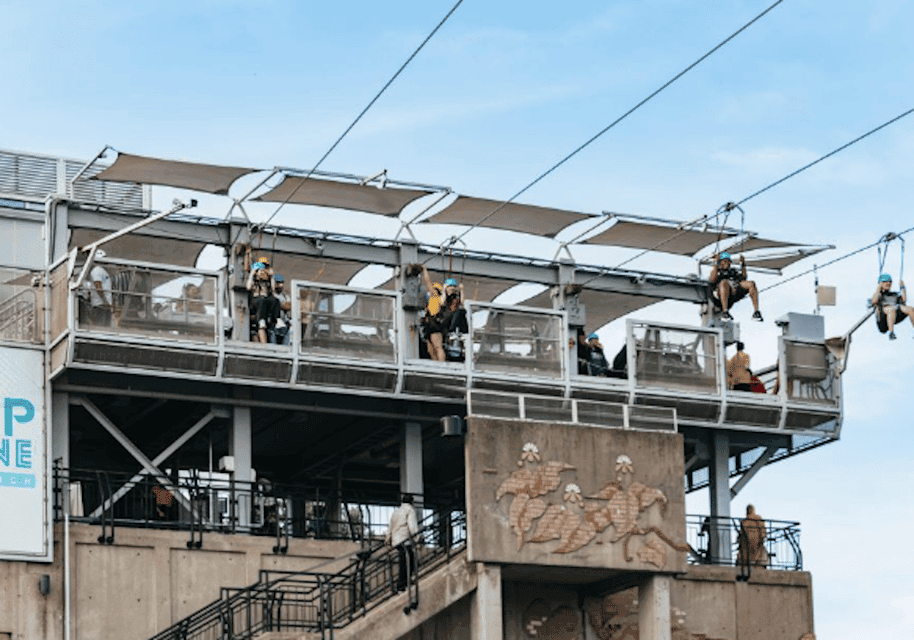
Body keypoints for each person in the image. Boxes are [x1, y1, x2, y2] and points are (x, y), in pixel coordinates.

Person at [417, 265, 465, 362]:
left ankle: (440, 364)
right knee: (430, 347)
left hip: (435, 323)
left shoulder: (437, 297)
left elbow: (428, 283)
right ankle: (436, 363)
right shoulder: (438, 299)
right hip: (432, 323)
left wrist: (424, 271)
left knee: (437, 346)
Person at [709, 252, 762, 322]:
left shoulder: (733, 271)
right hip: (721, 295)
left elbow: (743, 278)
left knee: (751, 283)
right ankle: (725, 312)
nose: (727, 263)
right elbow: (712, 279)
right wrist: (716, 263)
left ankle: (756, 311)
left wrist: (743, 265)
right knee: (724, 283)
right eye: (725, 261)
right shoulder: (717, 271)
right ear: (720, 262)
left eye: (728, 261)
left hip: (734, 292)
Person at [386, 493, 418, 592]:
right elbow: (412, 527)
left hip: (396, 540)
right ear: (412, 502)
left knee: (404, 560)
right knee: (409, 559)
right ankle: (403, 583)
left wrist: (388, 539)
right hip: (404, 539)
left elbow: (390, 526)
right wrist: (417, 538)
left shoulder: (396, 511)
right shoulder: (410, 510)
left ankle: (403, 583)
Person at [246, 253, 279, 343]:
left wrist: (272, 277)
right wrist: (253, 273)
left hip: (264, 302)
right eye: (261, 268)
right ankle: (261, 321)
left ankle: (274, 321)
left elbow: (273, 290)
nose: (263, 271)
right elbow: (248, 287)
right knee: (262, 300)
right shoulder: (254, 279)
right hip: (256, 301)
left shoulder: (267, 281)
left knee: (275, 300)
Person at [870, 273, 914, 340]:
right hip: (883, 319)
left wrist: (902, 287)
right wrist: (879, 287)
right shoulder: (879, 295)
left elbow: (904, 300)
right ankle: (891, 333)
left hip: (894, 315)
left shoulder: (894, 294)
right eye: (885, 282)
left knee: (910, 309)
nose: (888, 284)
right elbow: (874, 301)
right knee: (891, 309)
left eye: (889, 282)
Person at [80, 250, 114, 327]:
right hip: (100, 304)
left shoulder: (101, 270)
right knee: (101, 327)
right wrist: (105, 301)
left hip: (104, 304)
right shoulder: (96, 270)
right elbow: (98, 286)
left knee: (105, 327)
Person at [736, 504, 769, 568]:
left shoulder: (745, 522)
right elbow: (762, 530)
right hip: (753, 543)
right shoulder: (754, 519)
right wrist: (762, 537)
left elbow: (741, 534)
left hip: (749, 543)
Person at [271, 274, 292, 345]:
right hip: (273, 326)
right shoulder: (271, 295)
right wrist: (281, 305)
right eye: (278, 283)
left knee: (285, 346)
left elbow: (289, 306)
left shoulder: (285, 296)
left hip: (285, 325)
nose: (280, 285)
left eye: (282, 283)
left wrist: (280, 305)